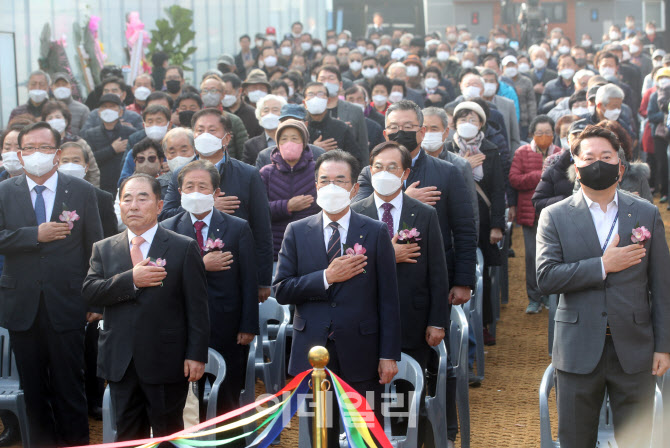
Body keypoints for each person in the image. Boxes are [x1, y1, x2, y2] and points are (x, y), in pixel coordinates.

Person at [536, 124, 670, 448]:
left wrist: (663, 346)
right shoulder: (554, 216)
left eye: (606, 156)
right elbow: (546, 277)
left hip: (635, 348)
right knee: (575, 439)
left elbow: (663, 286)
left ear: (620, 167)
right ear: (576, 166)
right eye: (589, 157)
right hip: (577, 348)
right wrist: (601, 266)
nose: (598, 162)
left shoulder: (645, 213)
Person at [273, 149, 401, 446]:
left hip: (363, 352)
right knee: (321, 434)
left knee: (367, 435)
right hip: (314, 355)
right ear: (315, 185)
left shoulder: (375, 231)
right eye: (324, 180)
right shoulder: (297, 230)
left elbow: (388, 299)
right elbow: (281, 289)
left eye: (340, 180)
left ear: (355, 188)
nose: (331, 187)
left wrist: (388, 354)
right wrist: (326, 277)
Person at [82, 173, 209, 440]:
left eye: (143, 198)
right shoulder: (104, 248)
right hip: (120, 361)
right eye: (126, 199)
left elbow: (197, 307)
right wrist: (131, 280)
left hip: (166, 359)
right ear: (119, 206)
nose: (134, 205)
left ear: (160, 205)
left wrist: (196, 355)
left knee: (167, 434)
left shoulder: (181, 247)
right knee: (127, 435)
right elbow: (91, 292)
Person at [0, 121, 103, 446]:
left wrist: (96, 301)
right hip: (22, 306)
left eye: (44, 148)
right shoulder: (4, 191)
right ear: (19, 153)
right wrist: (34, 235)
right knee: (33, 391)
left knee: (70, 386)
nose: (36, 155)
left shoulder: (82, 191)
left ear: (57, 154)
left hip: (69, 304)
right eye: (29, 148)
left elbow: (95, 248)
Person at [351, 141, 448, 443]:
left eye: (393, 167)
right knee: (368, 402)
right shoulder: (355, 212)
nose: (384, 173)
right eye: (378, 166)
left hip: (412, 320)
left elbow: (437, 271)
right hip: (364, 322)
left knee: (407, 402)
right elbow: (347, 268)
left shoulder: (424, 214)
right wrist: (386, 256)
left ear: (405, 173)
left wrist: (437, 321)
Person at [161, 161, 257, 441]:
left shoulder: (238, 228)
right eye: (189, 186)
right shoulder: (168, 228)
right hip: (182, 327)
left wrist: (248, 324)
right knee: (184, 397)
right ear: (179, 192)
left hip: (226, 325)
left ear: (216, 192)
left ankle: (230, 442)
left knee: (226, 396)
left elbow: (248, 280)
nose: (195, 191)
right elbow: (164, 279)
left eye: (202, 187)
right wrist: (201, 265)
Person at [160, 108, 274, 303]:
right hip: (187, 268)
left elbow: (262, 229)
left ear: (227, 138)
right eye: (200, 130)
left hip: (233, 269)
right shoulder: (181, 173)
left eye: (212, 130)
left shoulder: (248, 174)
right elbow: (165, 216)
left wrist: (263, 280)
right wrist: (207, 206)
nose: (205, 135)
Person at [444, 101, 505, 343]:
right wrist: (463, 166)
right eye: (462, 119)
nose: (467, 124)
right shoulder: (447, 148)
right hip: (454, 216)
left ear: (481, 124)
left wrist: (497, 225)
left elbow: (499, 190)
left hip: (483, 217)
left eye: (473, 120)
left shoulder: (490, 149)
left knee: (481, 274)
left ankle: (483, 324)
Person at [509, 115, 561, 314]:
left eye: (548, 132)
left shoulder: (560, 153)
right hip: (529, 213)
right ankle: (534, 297)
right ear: (532, 134)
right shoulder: (522, 153)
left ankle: (550, 295)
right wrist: (538, 175)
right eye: (539, 133)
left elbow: (565, 180)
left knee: (552, 256)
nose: (544, 136)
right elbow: (514, 179)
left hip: (553, 213)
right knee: (532, 256)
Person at [259, 119, 320, 262]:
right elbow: (259, 210)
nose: (289, 143)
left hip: (310, 245)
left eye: (294, 138)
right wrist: (287, 206)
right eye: (284, 139)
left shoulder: (317, 170)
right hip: (276, 249)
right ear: (278, 144)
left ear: (304, 143)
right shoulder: (266, 173)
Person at [421, 107, 479, 233]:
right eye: (425, 129)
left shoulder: (460, 165)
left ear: (446, 132)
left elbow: (471, 211)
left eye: (434, 129)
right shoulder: (409, 163)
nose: (429, 133)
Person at [81, 94, 137, 196]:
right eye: (104, 107)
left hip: (124, 185)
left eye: (112, 106)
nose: (108, 110)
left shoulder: (131, 133)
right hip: (100, 185)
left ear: (120, 112)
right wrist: (112, 149)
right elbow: (89, 159)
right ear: (99, 112)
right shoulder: (90, 134)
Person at [303, 82, 366, 168]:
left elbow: (356, 160)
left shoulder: (341, 128)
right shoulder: (300, 128)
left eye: (320, 94)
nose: (316, 98)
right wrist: (313, 149)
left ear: (328, 100)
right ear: (304, 102)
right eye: (311, 94)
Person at [41, 100, 101, 187]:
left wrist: (92, 193)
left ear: (66, 121)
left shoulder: (80, 143)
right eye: (50, 118)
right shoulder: (42, 147)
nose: (54, 121)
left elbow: (93, 172)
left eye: (58, 117)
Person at [532, 118, 586, 215]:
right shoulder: (554, 169)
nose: (578, 142)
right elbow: (538, 202)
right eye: (575, 137)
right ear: (568, 142)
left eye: (582, 137)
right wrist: (565, 201)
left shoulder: (600, 167)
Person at [316, 65, 369, 156]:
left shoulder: (355, 110)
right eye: (322, 79)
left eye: (331, 78)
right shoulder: (306, 110)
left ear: (340, 85)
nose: (326, 83)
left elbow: (363, 146)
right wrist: (314, 147)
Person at [253, 104, 325, 170]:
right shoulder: (265, 156)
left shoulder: (318, 154)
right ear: (279, 124)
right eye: (285, 120)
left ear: (305, 124)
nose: (290, 124)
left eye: (295, 120)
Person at [242, 94, 287, 165]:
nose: (270, 114)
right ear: (259, 115)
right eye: (266, 111)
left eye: (275, 110)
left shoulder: (294, 140)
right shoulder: (250, 145)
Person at [501, 55, 536, 140]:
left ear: (517, 66)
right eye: (508, 66)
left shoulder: (526, 81)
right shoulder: (501, 83)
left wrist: (533, 124)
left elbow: (531, 104)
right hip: (507, 122)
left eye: (512, 65)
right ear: (503, 68)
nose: (511, 68)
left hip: (523, 123)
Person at [221, 73, 263, 138]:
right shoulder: (219, 114)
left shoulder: (253, 115)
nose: (224, 96)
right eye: (222, 93)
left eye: (227, 92)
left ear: (240, 91)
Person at [50, 72, 91, 136]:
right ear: (52, 89)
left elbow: (87, 135)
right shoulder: (47, 109)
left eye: (64, 85)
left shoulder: (82, 110)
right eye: (57, 85)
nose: (61, 88)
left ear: (71, 87)